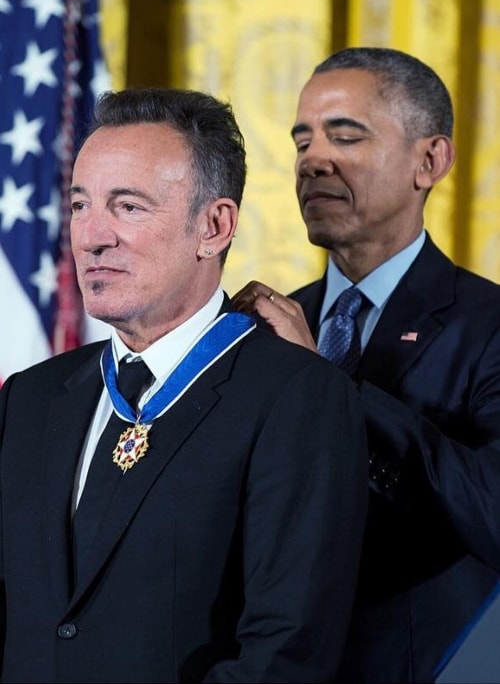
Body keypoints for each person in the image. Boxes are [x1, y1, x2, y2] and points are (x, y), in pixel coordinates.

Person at [0, 87, 368, 683]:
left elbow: (286, 654)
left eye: (128, 207)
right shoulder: (30, 397)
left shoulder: (297, 396)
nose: (91, 237)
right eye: (79, 205)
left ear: (214, 226)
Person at [232, 47, 500, 684]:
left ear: (429, 160)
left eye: (344, 135)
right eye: (302, 140)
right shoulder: (256, 331)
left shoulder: (488, 324)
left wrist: (330, 386)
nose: (312, 160)